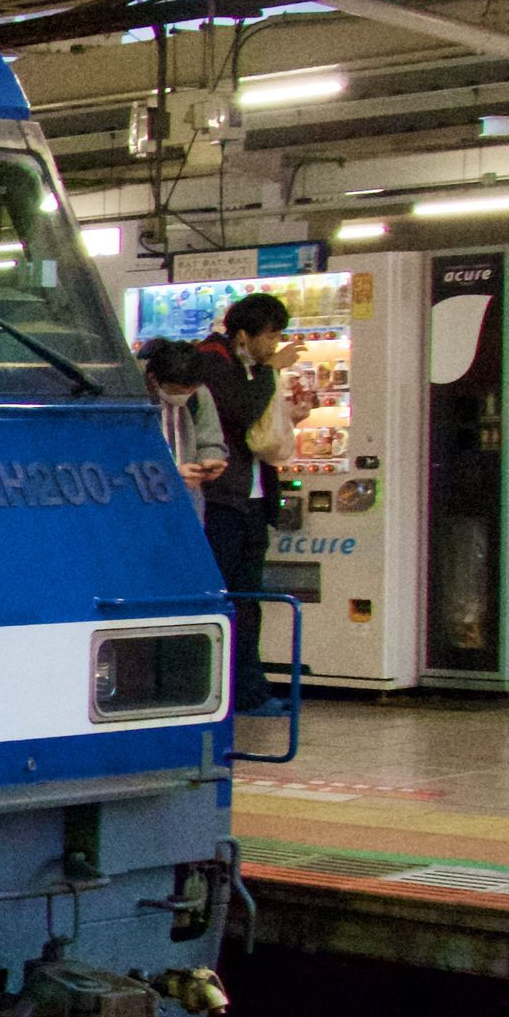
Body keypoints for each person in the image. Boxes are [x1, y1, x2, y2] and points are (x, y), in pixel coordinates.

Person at [186, 294, 301, 712]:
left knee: (248, 599)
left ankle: (250, 689)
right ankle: (229, 691)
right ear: (243, 335)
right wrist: (270, 371)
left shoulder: (246, 366)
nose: (274, 345)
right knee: (230, 597)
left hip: (251, 500)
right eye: (270, 336)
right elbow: (239, 413)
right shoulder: (212, 361)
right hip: (221, 501)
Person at [141, 338, 228, 489]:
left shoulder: (199, 394)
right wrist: (169, 473)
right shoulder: (133, 398)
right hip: (145, 493)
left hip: (189, 494)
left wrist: (209, 459)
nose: (185, 395)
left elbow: (211, 440)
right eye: (177, 391)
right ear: (153, 379)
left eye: (191, 390)